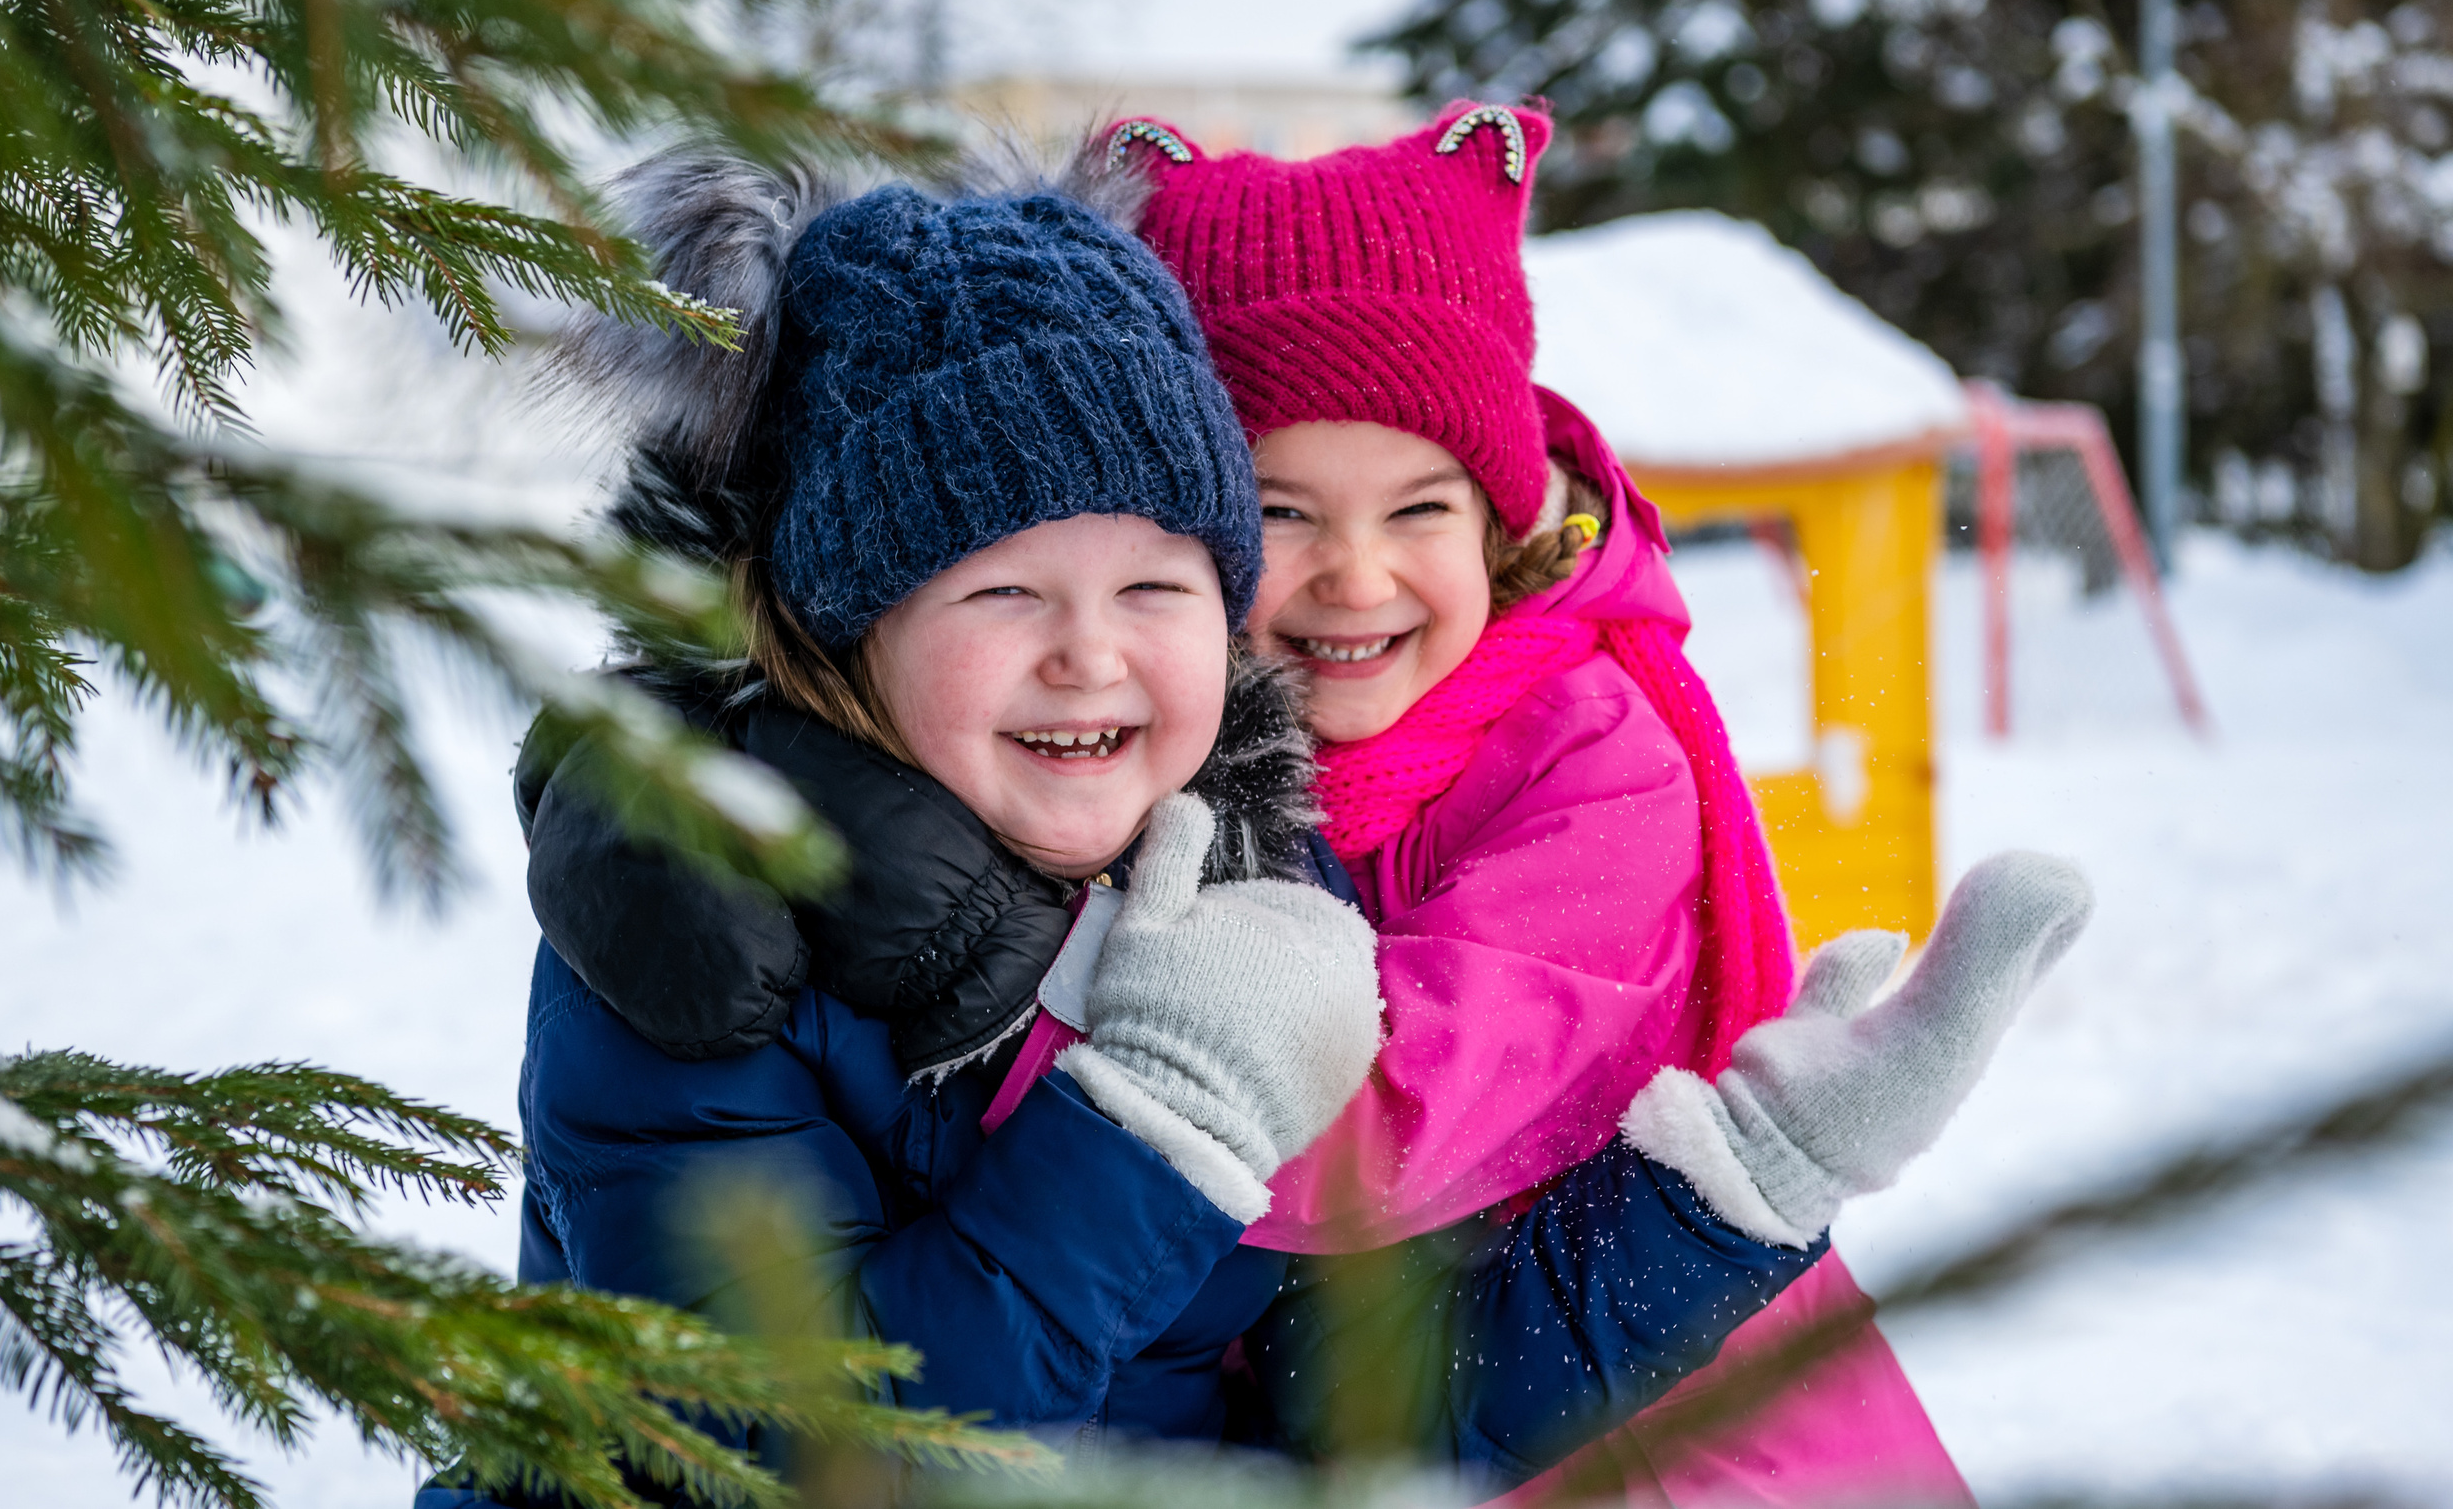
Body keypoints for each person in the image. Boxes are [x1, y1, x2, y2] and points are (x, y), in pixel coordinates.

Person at [416, 147, 2091, 1506]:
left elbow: (1343, 1425)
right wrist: (1147, 1121)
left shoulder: (1241, 893)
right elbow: (787, 1448)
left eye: (1157, 586)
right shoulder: (697, 923)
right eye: (1007, 592)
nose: (1093, 652)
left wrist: (1735, 1189)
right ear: (854, 621)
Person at [1099, 100, 1975, 1504]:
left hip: (1662, 1429)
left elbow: (1387, 1131)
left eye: (1420, 509)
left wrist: (1055, 1063)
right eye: (1281, 511)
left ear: (1503, 515)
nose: (1358, 574)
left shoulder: (1592, 756)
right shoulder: (1189, 747)